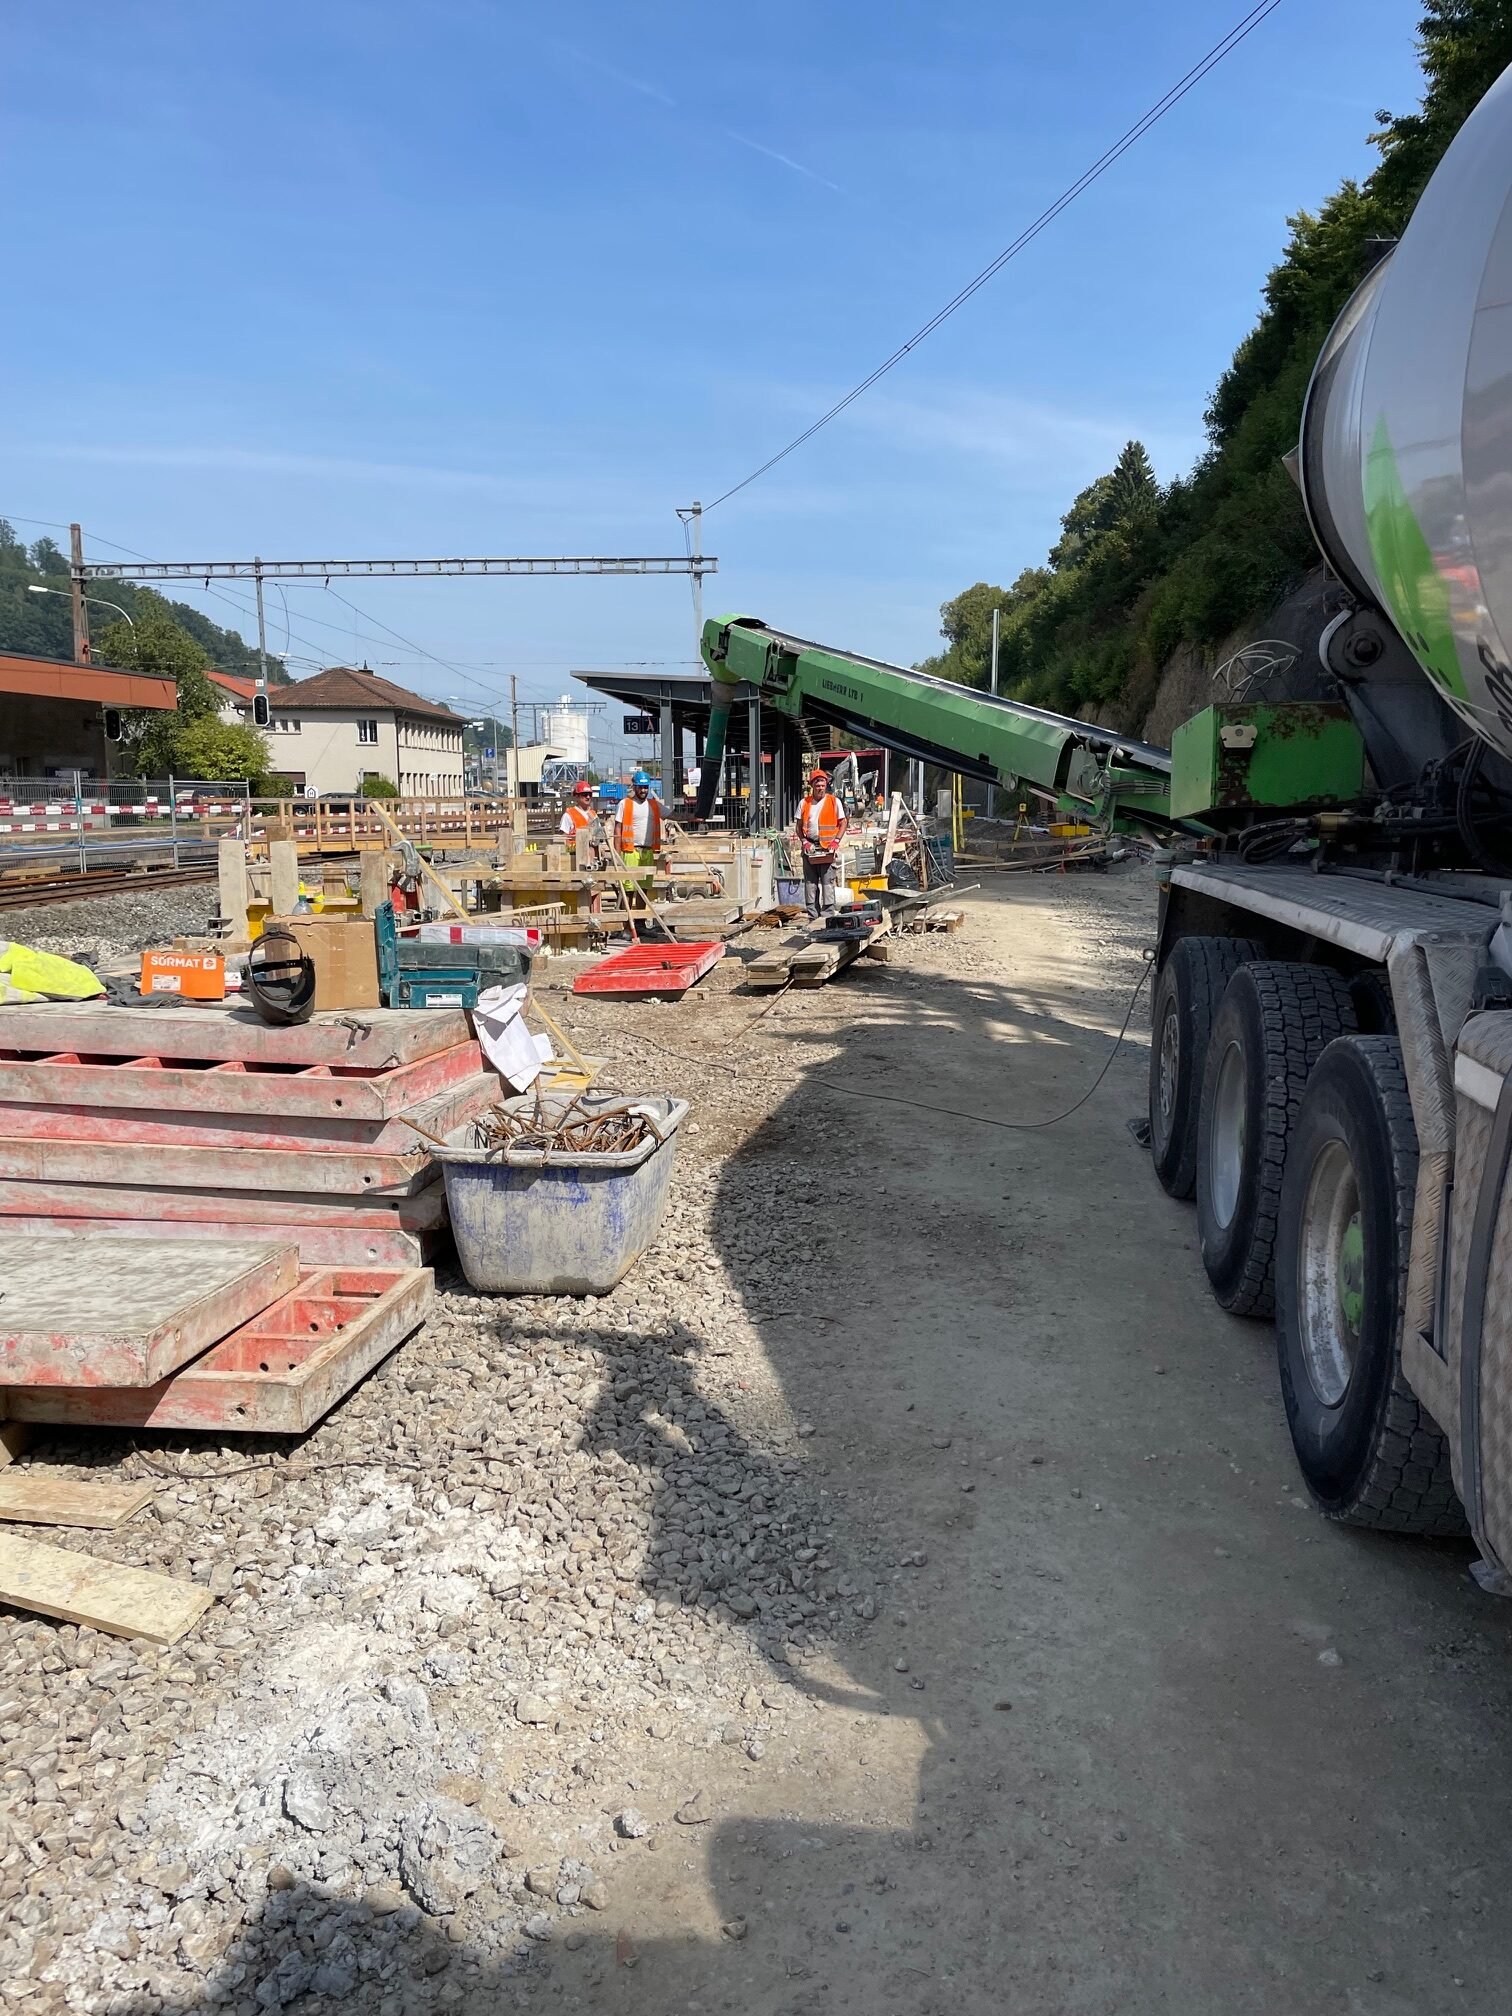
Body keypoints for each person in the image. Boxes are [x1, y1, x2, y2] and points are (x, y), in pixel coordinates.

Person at [795, 767, 848, 917]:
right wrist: (804, 841)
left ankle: (827, 916)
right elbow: (798, 827)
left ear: (826, 785)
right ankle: (813, 916)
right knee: (810, 884)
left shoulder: (834, 801)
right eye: (817, 785)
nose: (820, 788)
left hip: (827, 848)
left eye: (823, 785)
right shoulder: (804, 803)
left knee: (827, 883)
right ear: (812, 786)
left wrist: (836, 841)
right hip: (810, 847)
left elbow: (843, 822)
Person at [613, 769, 664, 903]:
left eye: (645, 787)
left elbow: (673, 815)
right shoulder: (625, 804)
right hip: (630, 851)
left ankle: (640, 916)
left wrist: (694, 816)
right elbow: (617, 830)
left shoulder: (654, 805)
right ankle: (627, 916)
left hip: (647, 852)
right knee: (628, 889)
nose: (643, 790)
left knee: (644, 889)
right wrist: (617, 856)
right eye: (640, 787)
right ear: (634, 787)